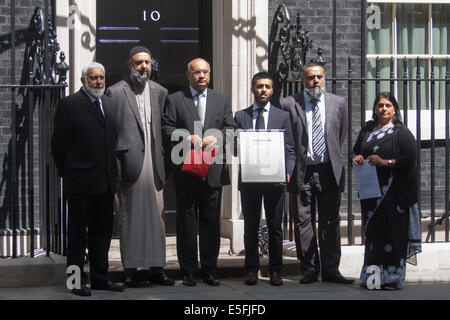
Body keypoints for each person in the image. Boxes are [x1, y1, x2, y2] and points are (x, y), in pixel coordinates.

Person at [51, 62, 124, 296]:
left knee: (102, 234)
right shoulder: (70, 105)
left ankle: (101, 278)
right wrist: (69, 171)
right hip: (80, 183)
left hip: (105, 183)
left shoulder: (111, 105)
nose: (99, 82)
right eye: (94, 78)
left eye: (102, 78)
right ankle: (75, 281)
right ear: (84, 80)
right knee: (77, 236)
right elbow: (58, 146)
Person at [162, 58, 236, 286]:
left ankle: (210, 269)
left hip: (212, 170)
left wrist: (219, 136)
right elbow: (166, 128)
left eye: (205, 72)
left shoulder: (221, 99)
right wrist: (187, 137)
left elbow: (231, 128)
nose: (201, 76)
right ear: (188, 75)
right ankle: (189, 270)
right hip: (186, 170)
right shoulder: (175, 100)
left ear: (210, 75)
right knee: (186, 223)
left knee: (210, 222)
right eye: (196, 72)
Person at [106, 46, 174, 287]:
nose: (143, 67)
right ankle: (131, 270)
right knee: (129, 217)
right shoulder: (114, 92)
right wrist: (114, 169)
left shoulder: (160, 92)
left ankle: (158, 269)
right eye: (138, 63)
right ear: (129, 64)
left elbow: (165, 132)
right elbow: (110, 135)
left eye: (146, 62)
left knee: (157, 217)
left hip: (154, 163)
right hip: (128, 165)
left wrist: (168, 167)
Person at [279, 62, 353, 284]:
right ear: (303, 80)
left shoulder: (338, 103)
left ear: (325, 78)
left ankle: (331, 270)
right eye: (311, 77)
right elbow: (285, 138)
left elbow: (340, 134)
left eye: (319, 76)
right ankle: (310, 269)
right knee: (303, 221)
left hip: (329, 169)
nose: (316, 81)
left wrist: (326, 155)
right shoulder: (288, 104)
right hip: (302, 170)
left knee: (330, 220)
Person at [352, 92, 421, 290]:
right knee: (374, 237)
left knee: (392, 235)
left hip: (394, 195)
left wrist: (385, 162)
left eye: (388, 105)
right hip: (371, 193)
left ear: (394, 109)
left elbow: (409, 158)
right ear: (375, 109)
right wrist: (356, 157)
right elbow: (355, 150)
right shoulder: (367, 130)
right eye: (380, 105)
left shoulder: (401, 132)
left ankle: (391, 278)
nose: (384, 109)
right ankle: (372, 279)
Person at [234, 72, 296, 286]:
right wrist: (236, 146)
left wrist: (287, 172)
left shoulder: (283, 116)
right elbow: (234, 151)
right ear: (253, 89)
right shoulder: (240, 116)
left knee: (275, 227)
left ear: (272, 90)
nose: (263, 90)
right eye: (259, 86)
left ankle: (275, 270)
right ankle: (252, 269)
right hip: (250, 179)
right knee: (250, 226)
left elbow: (290, 149)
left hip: (275, 180)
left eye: (267, 87)